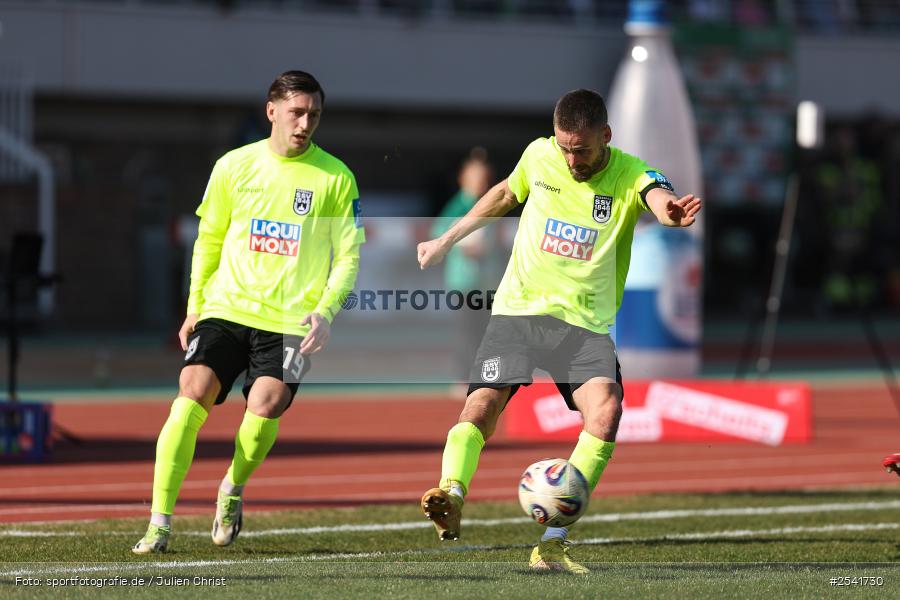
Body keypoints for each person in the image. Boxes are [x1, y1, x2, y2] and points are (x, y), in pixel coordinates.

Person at [416, 89, 701, 574]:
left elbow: (657, 194)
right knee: (480, 404)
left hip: (585, 326)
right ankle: (451, 493)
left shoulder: (631, 171)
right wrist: (446, 240)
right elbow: (505, 194)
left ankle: (552, 541)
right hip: (520, 313)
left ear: (605, 137)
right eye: (565, 147)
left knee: (607, 410)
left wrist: (667, 210)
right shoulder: (539, 155)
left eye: (582, 149)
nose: (571, 159)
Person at [133, 70, 365, 554]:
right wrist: (195, 305)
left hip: (290, 321)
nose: (305, 123)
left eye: (314, 115)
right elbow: (209, 240)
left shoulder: (336, 178)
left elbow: (347, 256)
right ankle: (159, 522)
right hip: (227, 306)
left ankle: (231, 489)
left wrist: (326, 311)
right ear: (272, 111)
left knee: (267, 403)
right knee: (191, 391)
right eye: (297, 112)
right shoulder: (233, 166)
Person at [430, 148, 499, 385]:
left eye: (484, 178)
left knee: (486, 332)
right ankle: (462, 378)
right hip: (464, 283)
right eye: (475, 178)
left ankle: (483, 378)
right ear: (464, 179)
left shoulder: (491, 203)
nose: (481, 183)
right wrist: (462, 246)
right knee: (466, 332)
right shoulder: (458, 206)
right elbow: (438, 232)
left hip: (487, 283)